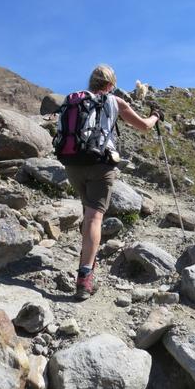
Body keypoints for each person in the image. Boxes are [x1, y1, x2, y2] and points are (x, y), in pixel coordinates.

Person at [64, 64, 163, 300]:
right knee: (94, 218)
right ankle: (84, 278)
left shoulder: (74, 100)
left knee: (88, 213)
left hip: (73, 163)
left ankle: (87, 261)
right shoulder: (115, 101)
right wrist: (156, 116)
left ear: (91, 82)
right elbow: (144, 126)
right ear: (110, 84)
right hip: (100, 163)